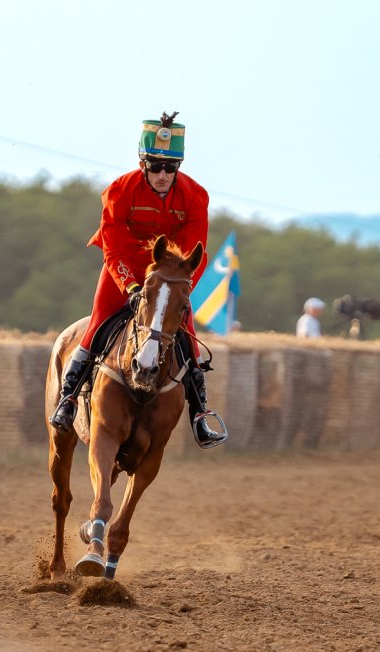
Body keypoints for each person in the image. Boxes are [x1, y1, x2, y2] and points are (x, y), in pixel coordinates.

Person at [49, 112, 226, 448]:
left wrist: (179, 291)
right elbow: (112, 247)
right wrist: (130, 285)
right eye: (156, 165)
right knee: (98, 323)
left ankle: (201, 414)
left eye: (170, 168)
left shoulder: (195, 196)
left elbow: (193, 257)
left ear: (179, 168)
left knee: (185, 331)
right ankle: (69, 399)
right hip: (126, 268)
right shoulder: (119, 190)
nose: (162, 175)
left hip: (170, 274)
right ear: (143, 163)